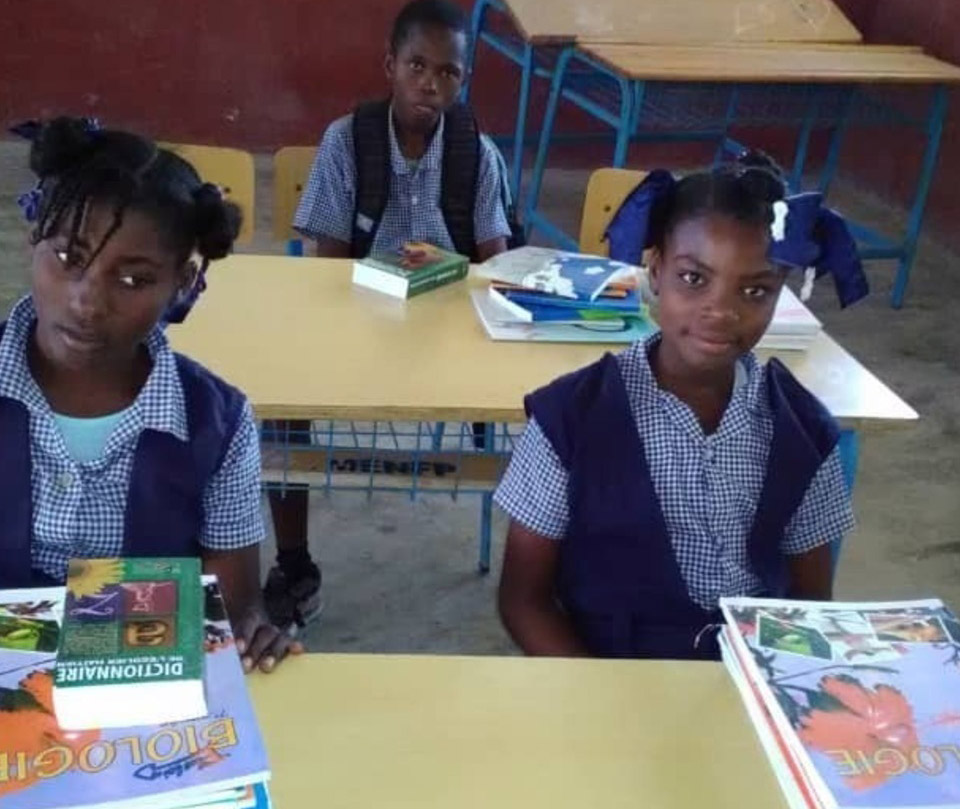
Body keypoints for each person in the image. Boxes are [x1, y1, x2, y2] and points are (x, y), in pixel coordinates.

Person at [494, 152, 869, 661]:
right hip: (603, 673)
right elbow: (524, 598)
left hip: (746, 680)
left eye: (755, 290)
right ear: (655, 272)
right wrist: (599, 702)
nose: (721, 311)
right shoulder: (570, 419)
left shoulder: (804, 432)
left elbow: (809, 605)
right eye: (694, 279)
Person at [0, 116, 299, 672]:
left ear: (182, 286)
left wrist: (252, 631)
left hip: (143, 705)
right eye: (69, 258)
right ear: (34, 238)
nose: (88, 301)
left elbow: (227, 613)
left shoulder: (218, 424)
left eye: (133, 279)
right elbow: (186, 619)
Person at [264, 0, 513, 633]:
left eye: (449, 73)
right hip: (357, 316)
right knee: (282, 399)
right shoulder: (348, 141)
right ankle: (294, 563)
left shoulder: (476, 153)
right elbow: (327, 272)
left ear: (464, 80)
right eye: (417, 66)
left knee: (541, 403)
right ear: (390, 67)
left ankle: (546, 562)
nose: (431, 83)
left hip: (447, 328)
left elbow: (494, 267)